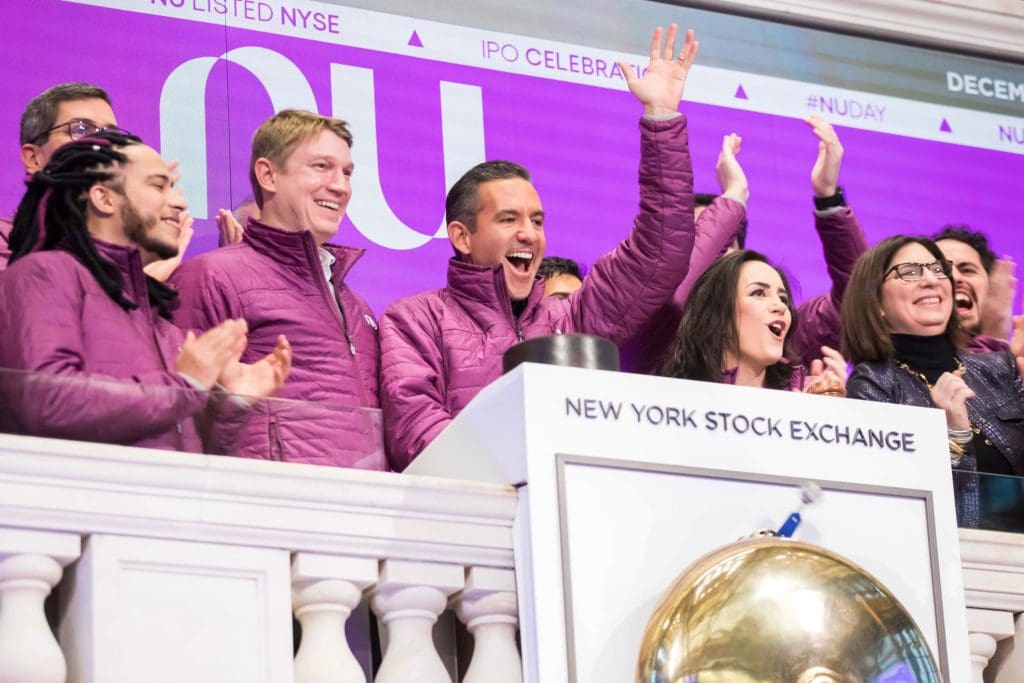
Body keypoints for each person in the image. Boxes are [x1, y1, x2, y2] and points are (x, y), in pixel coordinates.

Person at [379, 24, 701, 470]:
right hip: (473, 522)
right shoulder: (415, 319)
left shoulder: (571, 319)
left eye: (537, 220)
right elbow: (415, 431)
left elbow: (660, 251)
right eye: (508, 219)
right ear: (462, 236)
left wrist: (662, 120)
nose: (529, 233)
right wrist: (520, 473)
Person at [0, 132, 290, 451]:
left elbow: (189, 456)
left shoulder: (160, 322)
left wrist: (233, 406)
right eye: (157, 185)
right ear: (104, 198)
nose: (179, 203)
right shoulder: (45, 273)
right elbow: (45, 403)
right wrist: (182, 385)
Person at [171, 109, 384, 469]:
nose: (340, 186)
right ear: (268, 175)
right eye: (321, 167)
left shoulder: (355, 304)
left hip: (364, 510)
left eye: (346, 172)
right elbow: (181, 423)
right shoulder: (212, 276)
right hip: (266, 508)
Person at [623, 116, 867, 374]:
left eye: (721, 242)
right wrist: (735, 195)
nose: (708, 254)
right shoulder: (651, 329)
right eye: (698, 241)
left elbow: (854, 304)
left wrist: (829, 197)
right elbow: (676, 297)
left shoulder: (779, 333)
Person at [843, 236, 1024, 528]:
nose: (931, 279)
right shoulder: (873, 384)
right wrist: (954, 436)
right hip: (954, 559)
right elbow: (891, 504)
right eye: (910, 272)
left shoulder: (1000, 368)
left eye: (938, 269)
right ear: (876, 302)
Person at [2, 82, 193, 277]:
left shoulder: (139, 248)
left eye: (110, 134)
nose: (103, 143)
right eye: (81, 129)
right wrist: (139, 284)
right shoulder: (6, 238)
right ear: (33, 158)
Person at [661, 250, 846, 392]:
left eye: (783, 298)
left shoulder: (808, 399)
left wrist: (832, 410)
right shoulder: (673, 398)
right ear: (719, 314)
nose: (781, 307)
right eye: (758, 293)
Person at [933, 226, 1021, 355]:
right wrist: (993, 340)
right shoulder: (897, 366)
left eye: (967, 270)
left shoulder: (1018, 366)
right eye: (940, 271)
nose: (955, 277)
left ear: (991, 289)